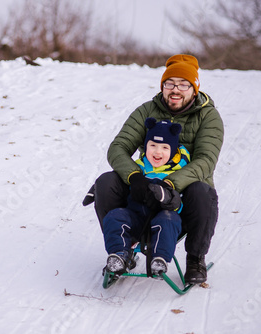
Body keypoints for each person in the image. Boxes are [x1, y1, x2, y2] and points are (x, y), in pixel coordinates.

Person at [83, 54, 224, 284]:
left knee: (202, 191)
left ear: (194, 88)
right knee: (105, 182)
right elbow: (118, 147)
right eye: (169, 84)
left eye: (183, 84)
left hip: (182, 196)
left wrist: (169, 185)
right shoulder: (147, 110)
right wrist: (135, 177)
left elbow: (206, 160)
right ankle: (122, 250)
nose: (175, 89)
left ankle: (195, 258)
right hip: (144, 189)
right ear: (162, 86)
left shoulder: (208, 116)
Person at [103, 118, 189, 275]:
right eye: (153, 146)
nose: (157, 152)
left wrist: (168, 198)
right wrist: (97, 187)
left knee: (168, 219)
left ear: (174, 150)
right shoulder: (138, 168)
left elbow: (181, 204)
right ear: (145, 147)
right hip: (136, 218)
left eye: (164, 147)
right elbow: (121, 184)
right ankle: (120, 255)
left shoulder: (180, 172)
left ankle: (159, 259)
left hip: (164, 218)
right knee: (115, 216)